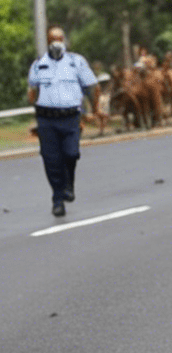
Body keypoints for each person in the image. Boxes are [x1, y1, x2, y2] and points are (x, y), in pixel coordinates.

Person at [27, 26, 100, 217]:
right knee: (51, 160)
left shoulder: (76, 62)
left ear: (64, 40)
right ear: (47, 41)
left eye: (59, 38)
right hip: (47, 120)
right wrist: (37, 105)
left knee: (71, 153)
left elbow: (93, 86)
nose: (56, 42)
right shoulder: (38, 64)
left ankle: (69, 183)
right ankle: (58, 199)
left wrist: (95, 109)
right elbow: (32, 90)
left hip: (70, 118)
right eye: (52, 38)